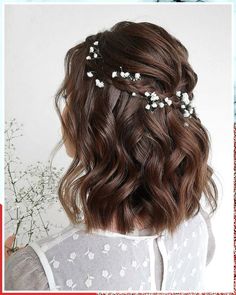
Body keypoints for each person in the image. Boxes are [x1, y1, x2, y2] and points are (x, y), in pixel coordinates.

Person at [5, 21, 218, 291]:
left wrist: (17, 276)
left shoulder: (41, 272)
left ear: (100, 126)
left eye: (71, 97)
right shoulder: (199, 225)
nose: (66, 110)